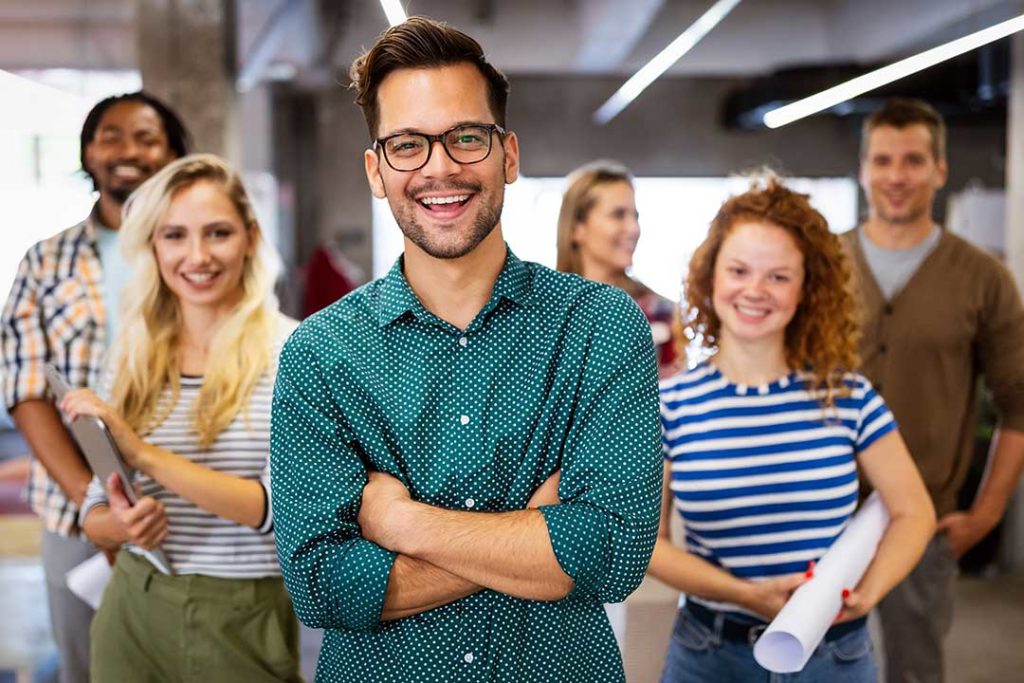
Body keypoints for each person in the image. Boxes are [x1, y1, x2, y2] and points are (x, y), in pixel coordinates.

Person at [270, 17, 663, 683]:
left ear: (508, 154)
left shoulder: (601, 325)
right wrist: (533, 536)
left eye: (466, 137)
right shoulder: (319, 353)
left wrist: (401, 523)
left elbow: (613, 552)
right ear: (376, 170)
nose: (441, 167)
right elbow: (322, 586)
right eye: (407, 145)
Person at [650, 176, 935, 681]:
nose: (754, 291)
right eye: (738, 270)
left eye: (778, 277)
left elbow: (914, 512)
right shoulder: (669, 405)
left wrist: (869, 590)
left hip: (833, 652)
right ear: (709, 276)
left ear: (807, 290)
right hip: (711, 652)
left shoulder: (847, 397)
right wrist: (743, 594)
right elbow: (646, 543)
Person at [60, 154, 301, 682]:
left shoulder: (293, 350)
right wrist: (120, 524)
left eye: (218, 233)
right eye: (174, 236)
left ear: (250, 237)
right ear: (152, 244)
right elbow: (96, 507)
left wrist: (144, 453)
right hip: (134, 606)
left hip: (244, 612)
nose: (197, 256)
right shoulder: (131, 354)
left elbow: (273, 512)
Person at [0, 91, 188, 682]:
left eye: (146, 137)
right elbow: (28, 391)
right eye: (110, 135)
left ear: (173, 153)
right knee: (88, 667)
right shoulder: (45, 261)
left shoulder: (198, 249)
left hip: (188, 501)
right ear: (87, 151)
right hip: (72, 508)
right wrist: (92, 503)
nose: (128, 150)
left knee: (191, 661)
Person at [841, 98, 1024, 682]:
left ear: (940, 170)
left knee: (913, 668)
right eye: (883, 160)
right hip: (820, 513)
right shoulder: (823, 266)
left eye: (914, 160)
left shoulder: (983, 277)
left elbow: (1019, 407)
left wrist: (986, 514)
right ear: (864, 168)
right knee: (811, 662)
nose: (896, 176)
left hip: (923, 517)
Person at [556, 160, 684, 376]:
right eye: (618, 215)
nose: (633, 229)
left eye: (635, 216)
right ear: (577, 228)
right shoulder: (543, 313)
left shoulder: (662, 313)